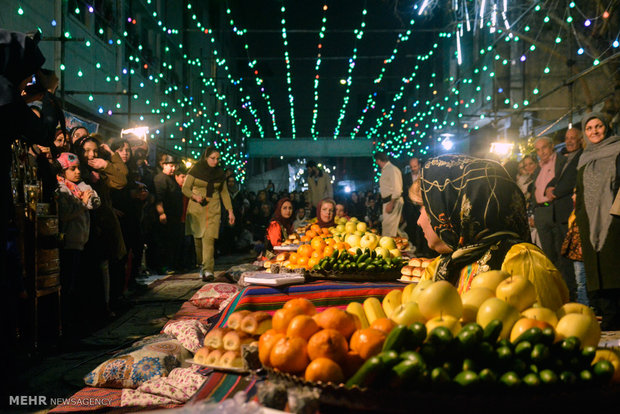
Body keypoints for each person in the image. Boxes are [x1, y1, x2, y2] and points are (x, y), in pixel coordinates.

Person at [416, 155, 569, 310]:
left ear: (453, 209)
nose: (419, 221)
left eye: (423, 207)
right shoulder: (440, 266)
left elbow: (539, 323)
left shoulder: (521, 261)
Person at [575, 112, 620, 330]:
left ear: (606, 127)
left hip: (614, 219)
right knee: (596, 268)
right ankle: (605, 313)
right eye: (589, 128)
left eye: (598, 126)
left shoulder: (618, 149)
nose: (594, 131)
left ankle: (614, 316)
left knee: (614, 266)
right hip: (588, 221)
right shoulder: (584, 157)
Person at [55, 152, 101, 331]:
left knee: (78, 284)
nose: (77, 172)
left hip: (81, 240)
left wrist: (89, 197)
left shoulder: (80, 186)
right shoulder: (62, 189)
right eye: (72, 169)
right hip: (69, 242)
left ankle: (76, 321)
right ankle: (66, 324)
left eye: (78, 168)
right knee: (68, 284)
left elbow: (95, 204)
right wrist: (82, 202)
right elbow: (65, 215)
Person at [529, 136, 577, 300]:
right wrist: (533, 211)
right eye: (538, 149)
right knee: (549, 255)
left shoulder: (563, 162)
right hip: (542, 214)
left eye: (544, 148)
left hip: (557, 211)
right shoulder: (538, 168)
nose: (542, 152)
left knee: (563, 255)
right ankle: (556, 293)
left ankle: (569, 293)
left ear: (552, 147)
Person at [182, 147, 235, 282]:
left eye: (218, 159)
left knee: (209, 238)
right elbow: (185, 188)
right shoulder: (195, 169)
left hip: (213, 208)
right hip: (196, 208)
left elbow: (224, 193)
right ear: (206, 157)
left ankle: (208, 270)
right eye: (213, 158)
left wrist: (230, 211)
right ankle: (202, 264)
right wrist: (195, 196)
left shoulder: (220, 173)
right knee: (198, 239)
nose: (215, 161)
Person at [153, 154, 184, 274]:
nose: (173, 168)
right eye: (171, 166)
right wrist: (161, 212)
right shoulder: (160, 179)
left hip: (173, 217)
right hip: (165, 216)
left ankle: (170, 265)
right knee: (163, 243)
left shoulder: (170, 179)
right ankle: (163, 267)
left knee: (171, 242)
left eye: (174, 166)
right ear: (164, 165)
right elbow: (158, 197)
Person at [402, 157, 431, 256]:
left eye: (415, 166)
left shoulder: (425, 176)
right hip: (409, 208)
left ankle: (424, 250)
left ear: (419, 165)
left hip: (421, 207)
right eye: (411, 167)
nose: (413, 168)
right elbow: (403, 194)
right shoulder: (405, 177)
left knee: (423, 229)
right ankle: (414, 249)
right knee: (411, 229)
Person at [374, 152, 403, 237]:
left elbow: (397, 188)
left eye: (376, 161)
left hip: (392, 200)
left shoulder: (392, 169)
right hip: (388, 201)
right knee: (390, 228)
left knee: (389, 229)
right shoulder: (386, 169)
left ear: (379, 160)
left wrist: (392, 203)